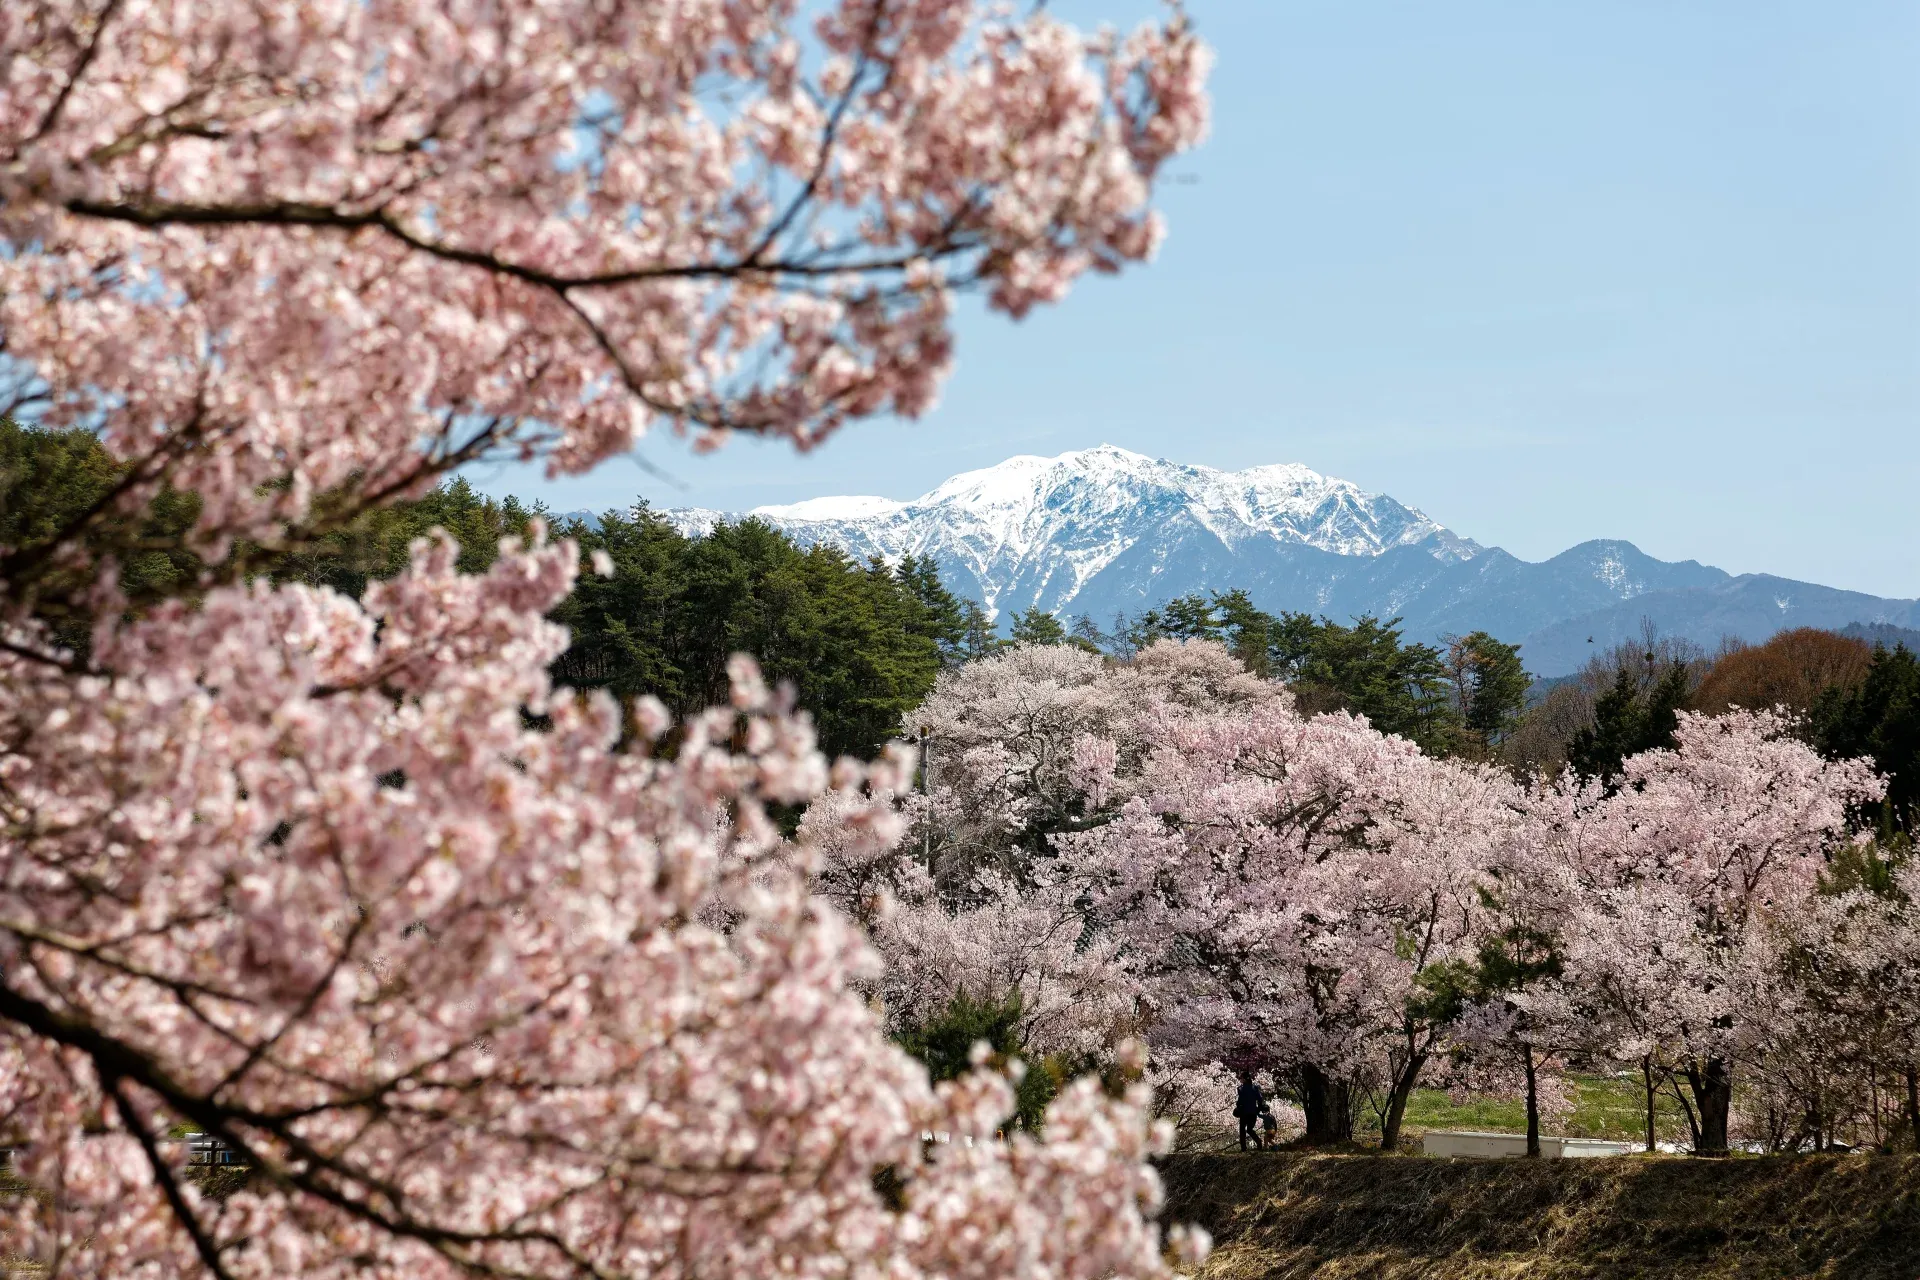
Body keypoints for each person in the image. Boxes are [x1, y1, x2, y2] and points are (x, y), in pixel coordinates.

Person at [1233, 1071, 1265, 1151]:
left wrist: (1238, 1107)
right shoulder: (1255, 1087)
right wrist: (1258, 1109)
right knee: (1250, 1129)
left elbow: (1240, 1101)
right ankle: (1258, 1142)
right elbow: (1260, 1100)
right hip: (1253, 1112)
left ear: (1244, 1079)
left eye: (1241, 1078)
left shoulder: (1240, 1089)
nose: (1240, 1080)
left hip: (1244, 1112)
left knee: (1242, 1130)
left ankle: (1244, 1149)